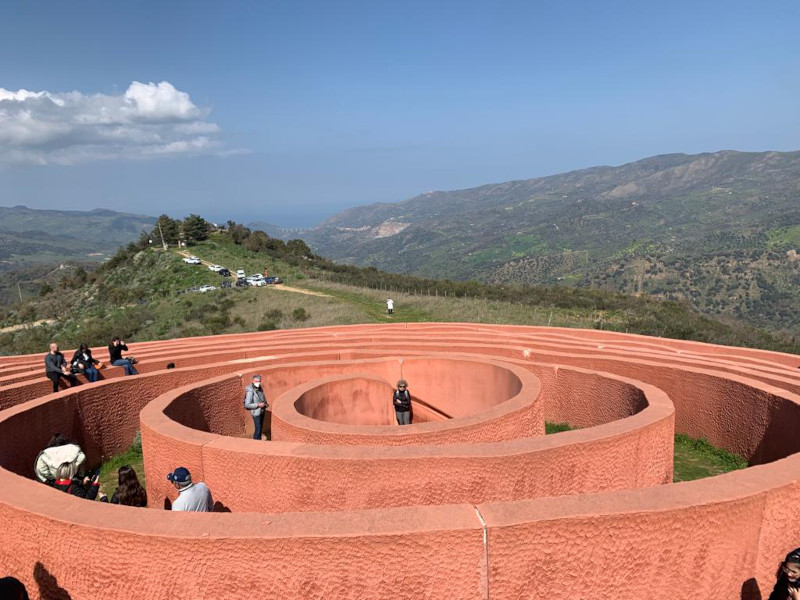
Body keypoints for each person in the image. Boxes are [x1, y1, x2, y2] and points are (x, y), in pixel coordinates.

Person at [243, 374, 268, 440]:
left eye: (259, 381)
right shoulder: (250, 390)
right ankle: (256, 445)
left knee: (260, 429)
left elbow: (262, 397)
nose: (258, 383)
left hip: (262, 410)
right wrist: (258, 404)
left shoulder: (259, 387)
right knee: (258, 430)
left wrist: (265, 403)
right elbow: (247, 404)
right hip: (256, 412)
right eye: (256, 381)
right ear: (253, 381)